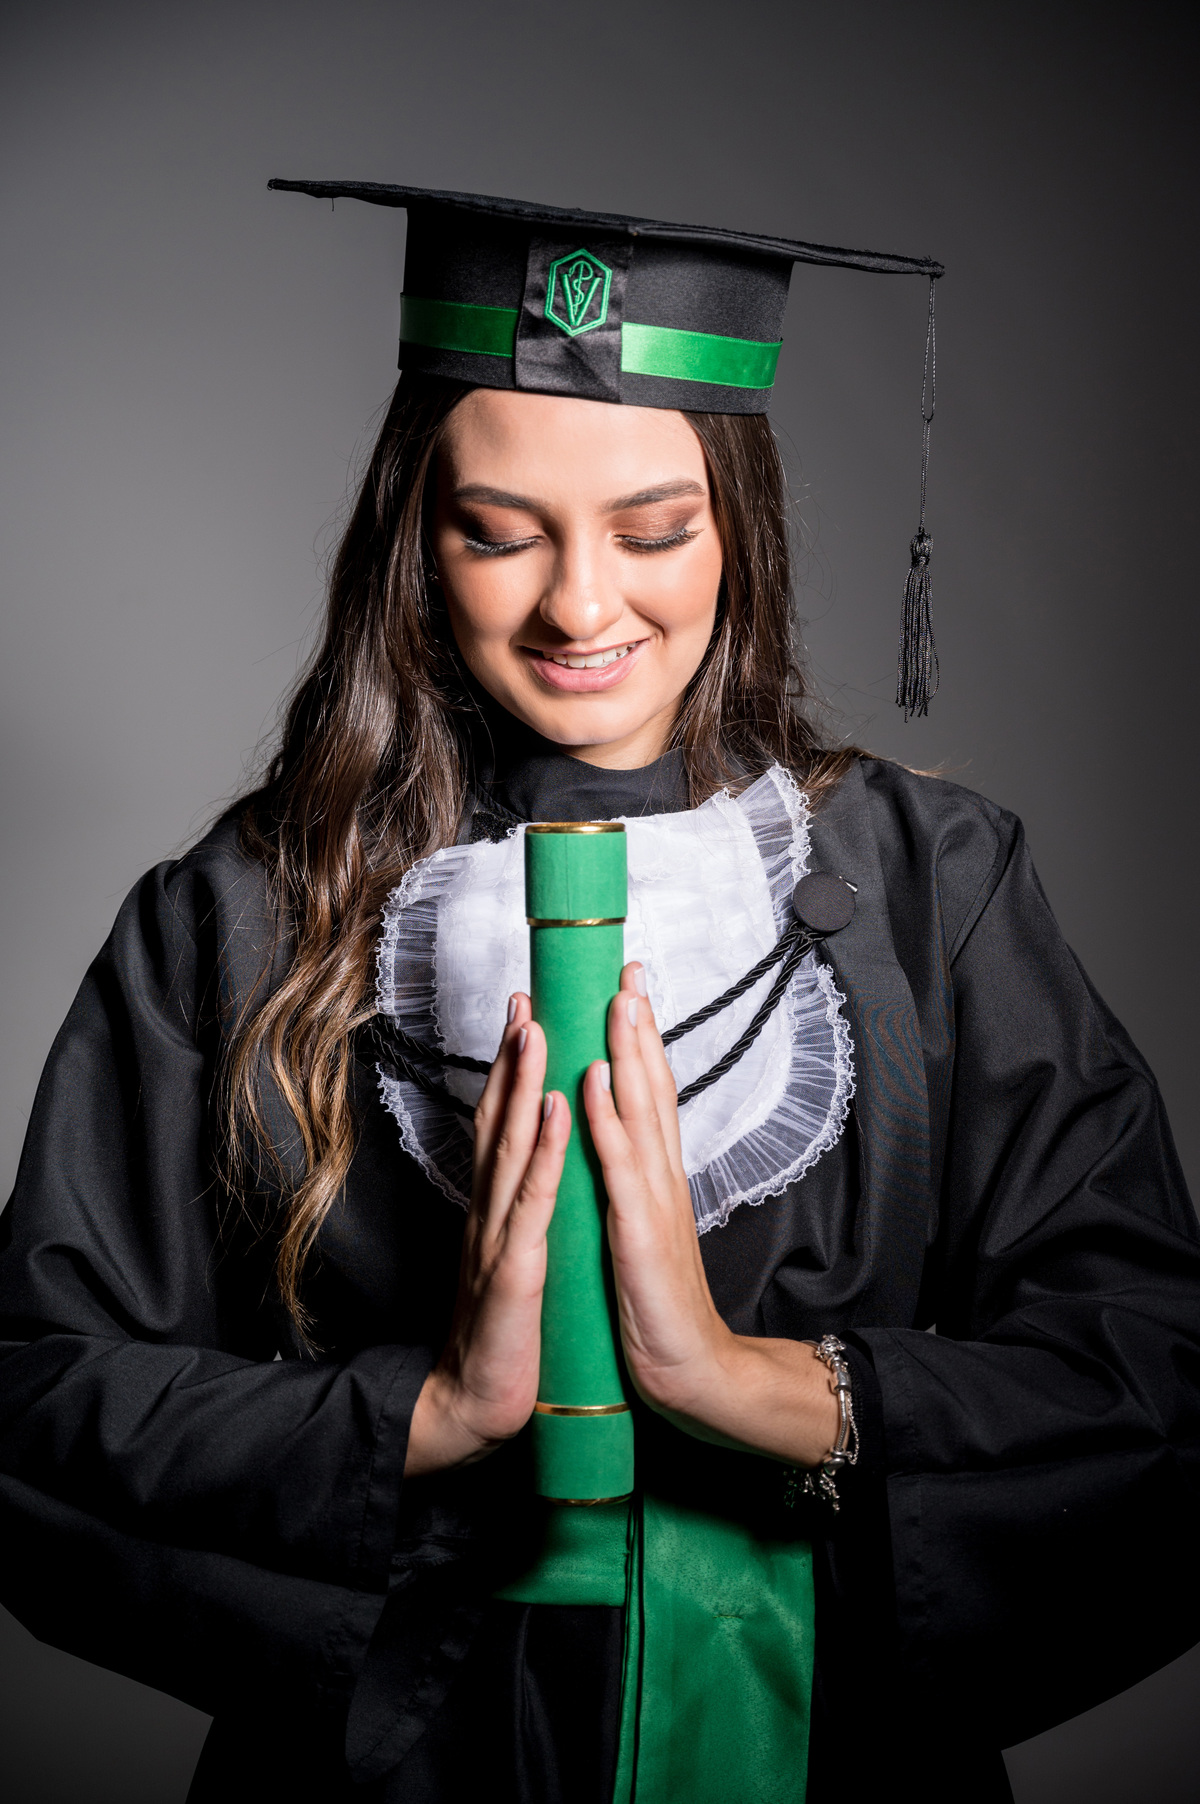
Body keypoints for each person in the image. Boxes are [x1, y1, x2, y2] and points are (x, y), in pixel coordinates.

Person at [1, 184, 1197, 1804]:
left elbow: (1150, 1379)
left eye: (654, 530)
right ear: (411, 537)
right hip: (391, 1759)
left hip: (834, 1749)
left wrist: (749, 1382)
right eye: (497, 529)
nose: (580, 606)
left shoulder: (937, 889)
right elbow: (37, 1391)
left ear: (741, 528)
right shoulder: (238, 915)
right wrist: (423, 1416)